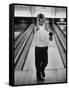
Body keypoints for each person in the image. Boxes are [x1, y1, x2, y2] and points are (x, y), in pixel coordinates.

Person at [34, 13, 52, 81]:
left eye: (42, 21)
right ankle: (38, 75)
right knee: (38, 63)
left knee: (45, 62)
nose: (41, 22)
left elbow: (50, 37)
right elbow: (37, 27)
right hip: (38, 47)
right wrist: (37, 19)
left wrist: (50, 37)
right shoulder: (36, 27)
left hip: (45, 47)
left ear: (44, 20)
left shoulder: (47, 27)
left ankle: (42, 70)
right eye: (39, 21)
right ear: (38, 21)